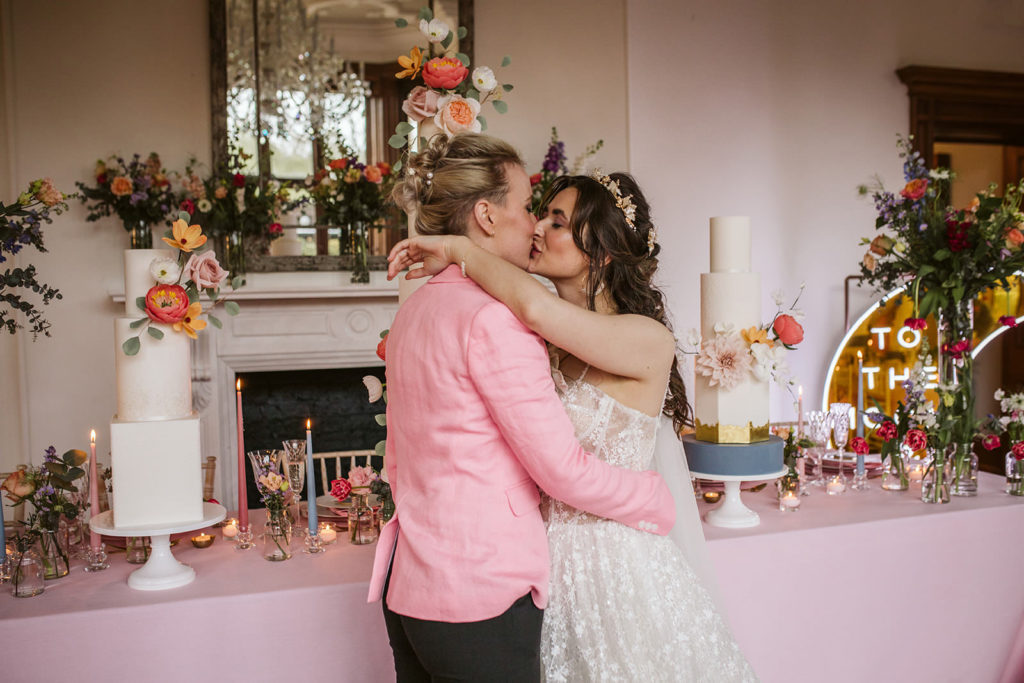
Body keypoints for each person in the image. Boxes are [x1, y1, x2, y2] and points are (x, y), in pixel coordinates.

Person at [388, 171, 757, 681]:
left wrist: (458, 249)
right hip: (540, 567)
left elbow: (535, 307)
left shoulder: (646, 339)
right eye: (541, 213)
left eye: (558, 221)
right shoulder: (540, 337)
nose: (538, 227)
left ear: (601, 252)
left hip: (616, 565)